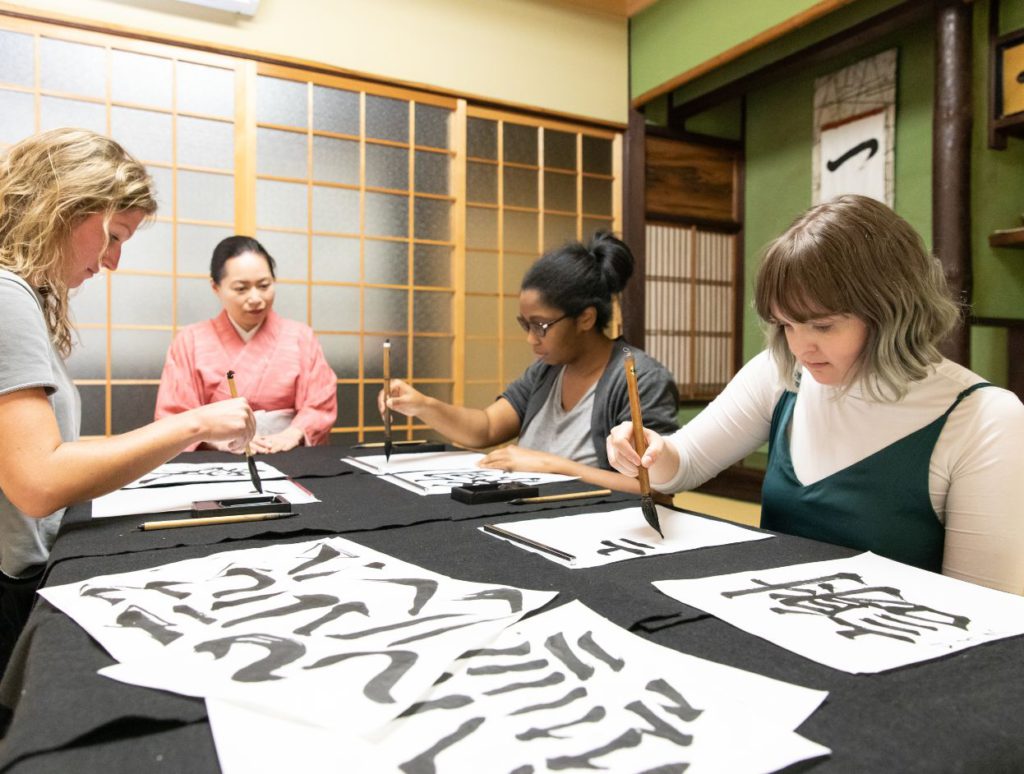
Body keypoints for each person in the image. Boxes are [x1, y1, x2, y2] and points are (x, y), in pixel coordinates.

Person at [607, 195, 1024, 595]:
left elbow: (988, 612)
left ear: (893, 312)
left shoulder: (985, 418)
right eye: (786, 325)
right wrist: (648, 451)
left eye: (822, 326)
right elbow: (685, 466)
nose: (800, 347)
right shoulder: (783, 373)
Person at [0, 128, 256, 672]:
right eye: (113, 235)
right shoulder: (6, 294)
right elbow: (38, 480)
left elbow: (40, 448)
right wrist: (195, 423)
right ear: (65, 206)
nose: (112, 261)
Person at [379, 231, 679, 492]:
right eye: (526, 325)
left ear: (585, 318)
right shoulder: (549, 369)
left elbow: (656, 486)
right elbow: (485, 428)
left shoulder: (639, 377)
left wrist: (552, 465)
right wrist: (422, 405)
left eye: (541, 326)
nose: (531, 339)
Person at [155, 236, 338, 453]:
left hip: (286, 452)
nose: (256, 298)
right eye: (241, 288)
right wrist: (222, 441)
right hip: (216, 458)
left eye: (264, 285)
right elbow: (175, 414)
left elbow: (319, 403)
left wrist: (291, 434)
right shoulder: (189, 340)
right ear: (216, 287)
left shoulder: (301, 336)